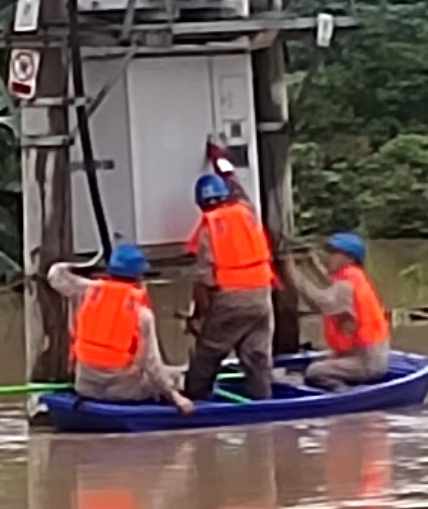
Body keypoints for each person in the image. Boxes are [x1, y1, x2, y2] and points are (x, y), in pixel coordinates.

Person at [182, 168, 286, 399]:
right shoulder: (248, 213)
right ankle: (263, 403)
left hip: (230, 299)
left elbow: (203, 281)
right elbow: (239, 190)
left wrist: (198, 316)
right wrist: (225, 167)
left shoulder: (209, 229)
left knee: (208, 353)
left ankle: (195, 402)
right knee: (257, 355)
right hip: (262, 296)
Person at [61, 242, 188, 411]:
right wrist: (176, 398)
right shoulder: (142, 314)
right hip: (123, 392)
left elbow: (55, 274)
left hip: (85, 386)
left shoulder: (89, 291)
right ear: (139, 276)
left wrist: (83, 265)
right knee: (175, 376)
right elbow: (152, 365)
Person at [312, 231, 395, 387]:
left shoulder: (347, 282)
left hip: (367, 360)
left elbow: (320, 303)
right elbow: (327, 280)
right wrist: (310, 262)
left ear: (349, 258)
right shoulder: (351, 276)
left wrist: (291, 274)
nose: (328, 257)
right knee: (319, 361)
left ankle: (343, 394)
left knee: (315, 371)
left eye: (333, 253)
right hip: (362, 354)